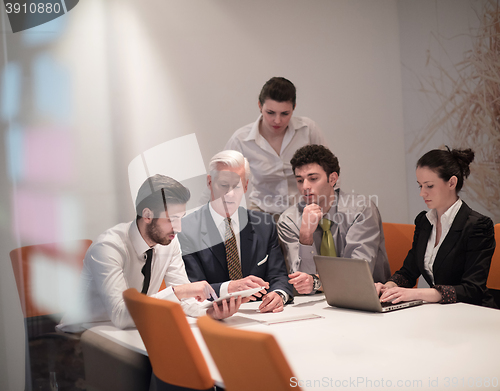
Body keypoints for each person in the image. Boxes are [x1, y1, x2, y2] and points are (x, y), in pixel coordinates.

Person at [57, 175, 241, 332]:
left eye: (181, 218)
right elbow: (121, 315)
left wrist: (209, 312)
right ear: (147, 215)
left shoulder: (169, 242)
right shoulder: (108, 248)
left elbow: (184, 300)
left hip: (133, 329)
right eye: (171, 219)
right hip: (82, 335)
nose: (178, 228)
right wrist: (178, 292)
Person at [376, 148, 497, 307]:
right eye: (420, 186)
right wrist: (388, 287)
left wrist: (416, 293)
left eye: (429, 186)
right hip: (440, 312)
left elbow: (472, 289)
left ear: (452, 183)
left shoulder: (478, 226)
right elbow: (408, 272)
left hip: (473, 313)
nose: (422, 193)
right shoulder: (424, 222)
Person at [178, 150, 293, 313]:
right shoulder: (186, 229)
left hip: (263, 315)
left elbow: (279, 277)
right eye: (223, 185)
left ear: (246, 186)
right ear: (210, 182)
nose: (230, 194)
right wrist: (230, 288)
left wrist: (278, 294)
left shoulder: (265, 225)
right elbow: (190, 289)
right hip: (210, 317)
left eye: (237, 186)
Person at [278, 144, 390, 294]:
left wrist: (316, 282)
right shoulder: (289, 220)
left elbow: (357, 276)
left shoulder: (361, 210)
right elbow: (302, 285)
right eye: (299, 180)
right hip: (312, 304)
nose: (305, 186)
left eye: (313, 178)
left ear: (332, 179)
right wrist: (305, 236)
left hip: (365, 297)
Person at [224, 77, 327, 217]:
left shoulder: (308, 130)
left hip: (303, 210)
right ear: (260, 106)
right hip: (262, 211)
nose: (277, 120)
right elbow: (221, 180)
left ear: (294, 108)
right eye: (270, 113)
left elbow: (330, 171)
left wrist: (332, 208)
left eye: (285, 114)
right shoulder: (241, 140)